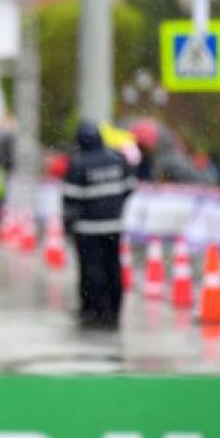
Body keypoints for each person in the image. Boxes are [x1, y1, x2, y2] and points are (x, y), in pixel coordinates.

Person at [63, 120, 136, 330]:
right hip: (113, 226)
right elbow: (129, 188)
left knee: (91, 271)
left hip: (88, 229)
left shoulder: (78, 164)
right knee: (113, 268)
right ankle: (113, 310)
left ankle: (93, 311)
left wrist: (68, 226)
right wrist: (113, 207)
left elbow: (71, 200)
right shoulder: (118, 159)